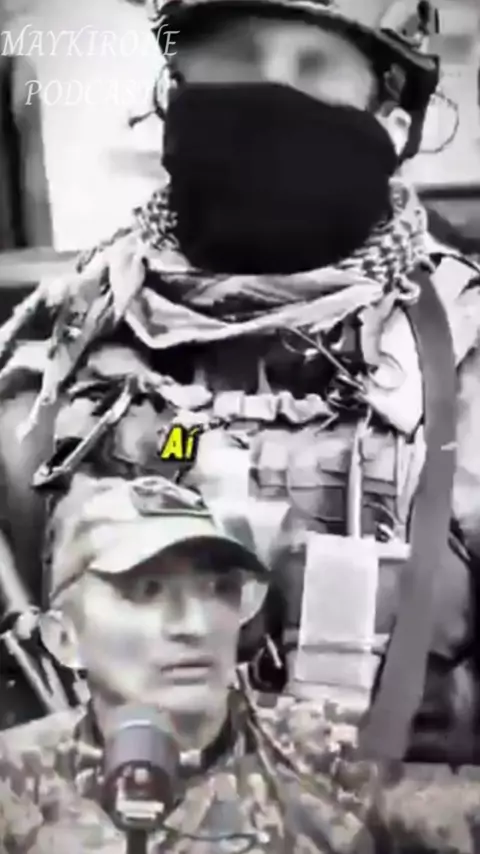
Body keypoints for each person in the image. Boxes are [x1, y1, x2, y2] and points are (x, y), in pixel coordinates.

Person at [1, 0, 480, 848]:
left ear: (393, 115)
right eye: (232, 62)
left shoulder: (464, 369)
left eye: (313, 69)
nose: (268, 97)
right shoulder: (55, 367)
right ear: (172, 93)